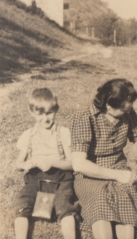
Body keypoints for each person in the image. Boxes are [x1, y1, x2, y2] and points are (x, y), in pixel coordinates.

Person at [70, 78, 137, 239]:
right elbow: (79, 164)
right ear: (108, 106)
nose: (129, 112)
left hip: (119, 165)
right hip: (90, 171)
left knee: (126, 195)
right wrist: (117, 175)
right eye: (125, 110)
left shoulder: (128, 113)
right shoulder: (84, 117)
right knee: (99, 198)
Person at [14, 88, 79, 239]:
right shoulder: (28, 135)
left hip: (61, 176)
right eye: (40, 114)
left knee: (64, 205)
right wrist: (25, 164)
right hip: (35, 176)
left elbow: (73, 164)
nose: (45, 118)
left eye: (49, 112)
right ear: (32, 113)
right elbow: (18, 164)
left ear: (56, 109)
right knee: (23, 203)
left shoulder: (63, 133)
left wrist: (53, 162)